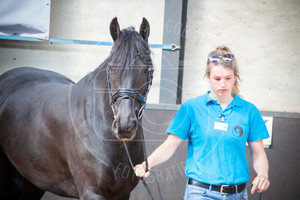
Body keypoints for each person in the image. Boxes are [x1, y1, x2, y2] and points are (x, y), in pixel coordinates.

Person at [134, 46, 270, 200]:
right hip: (201, 193)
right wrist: (146, 164)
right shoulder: (191, 108)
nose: (223, 84)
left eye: (228, 78)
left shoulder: (249, 111)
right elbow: (170, 145)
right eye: (217, 79)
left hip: (238, 194)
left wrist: (263, 174)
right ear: (207, 77)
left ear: (235, 77)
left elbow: (258, 153)